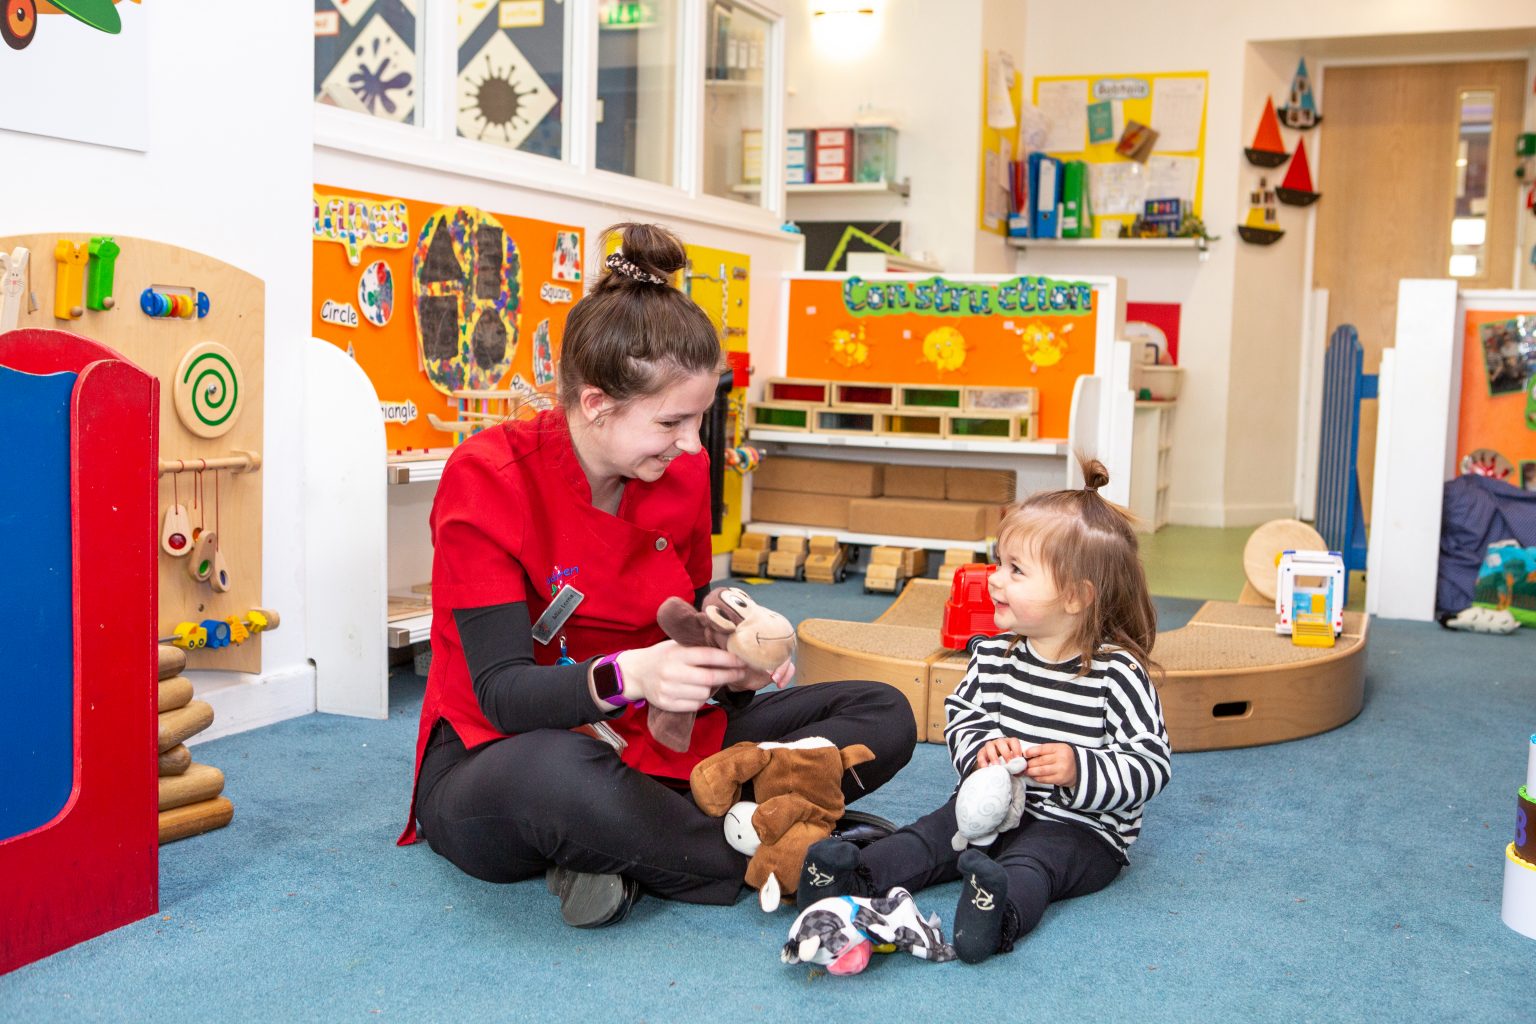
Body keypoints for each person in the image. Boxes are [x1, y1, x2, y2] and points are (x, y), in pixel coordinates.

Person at [397, 222, 916, 929]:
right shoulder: (487, 478)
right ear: (595, 404)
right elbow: (500, 694)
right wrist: (632, 676)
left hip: (670, 736)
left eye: (700, 419)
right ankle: (791, 845)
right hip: (509, 747)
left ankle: (643, 844)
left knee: (885, 711)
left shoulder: (680, 465)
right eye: (672, 421)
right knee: (558, 780)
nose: (690, 445)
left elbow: (694, 595)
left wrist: (734, 628)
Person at [798, 459, 1171, 962]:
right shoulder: (995, 655)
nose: (995, 580)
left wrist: (1079, 767)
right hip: (989, 808)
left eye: (1016, 570)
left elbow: (1151, 763)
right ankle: (849, 876)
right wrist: (981, 750)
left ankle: (995, 916)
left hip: (1081, 829)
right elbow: (964, 716)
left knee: (1034, 863)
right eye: (999, 563)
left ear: (1076, 596)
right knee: (929, 836)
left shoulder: (1116, 673)